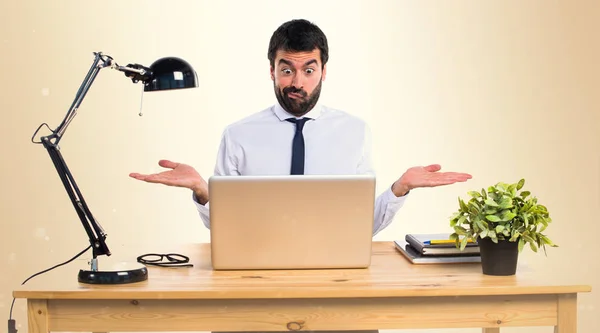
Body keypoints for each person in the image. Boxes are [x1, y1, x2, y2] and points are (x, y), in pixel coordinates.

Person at [129, 18, 472, 333]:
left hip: (335, 282)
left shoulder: (355, 131)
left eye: (308, 70)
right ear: (271, 71)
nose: (297, 82)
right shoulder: (238, 134)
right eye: (287, 70)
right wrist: (203, 191)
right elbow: (225, 225)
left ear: (324, 71)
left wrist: (400, 188)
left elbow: (360, 226)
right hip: (254, 280)